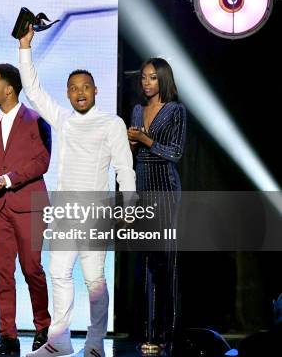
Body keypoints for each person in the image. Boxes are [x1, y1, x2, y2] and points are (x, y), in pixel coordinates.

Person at [18, 26, 136, 357]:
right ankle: (59, 340)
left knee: (95, 281)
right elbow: (34, 91)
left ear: (96, 91)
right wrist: (25, 47)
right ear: (68, 94)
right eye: (73, 89)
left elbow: (123, 168)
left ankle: (95, 343)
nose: (79, 92)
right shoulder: (64, 121)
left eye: (85, 87)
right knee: (58, 274)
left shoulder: (111, 123)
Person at [0, 63, 52, 356]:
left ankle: (43, 328)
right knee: (2, 273)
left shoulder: (35, 120)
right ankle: (8, 336)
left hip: (29, 206)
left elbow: (41, 161)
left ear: (8, 89)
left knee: (32, 268)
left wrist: (5, 179)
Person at [128, 58, 186, 355]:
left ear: (163, 79)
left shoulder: (175, 111)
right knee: (148, 264)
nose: (146, 83)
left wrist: (145, 140)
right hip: (143, 188)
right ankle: (150, 333)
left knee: (169, 265)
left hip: (166, 188)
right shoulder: (138, 110)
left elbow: (175, 152)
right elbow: (133, 150)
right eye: (143, 78)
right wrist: (132, 143)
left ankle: (170, 334)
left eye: (151, 78)